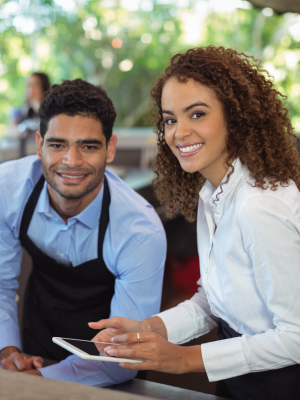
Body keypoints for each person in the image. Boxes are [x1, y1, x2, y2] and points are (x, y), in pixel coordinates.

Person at [90, 46, 300, 400]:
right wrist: (145, 330)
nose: (179, 132)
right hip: (240, 373)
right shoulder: (214, 192)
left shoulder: (259, 206)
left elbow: (295, 337)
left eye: (197, 114)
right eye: (170, 119)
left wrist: (185, 359)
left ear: (237, 116)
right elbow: (214, 302)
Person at [0, 78, 166, 385]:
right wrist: (7, 352)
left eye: (88, 146)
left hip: (111, 367)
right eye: (57, 144)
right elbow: (0, 286)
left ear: (110, 148)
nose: (71, 162)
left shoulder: (139, 232)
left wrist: (37, 379)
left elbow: (126, 352)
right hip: (37, 336)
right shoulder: (8, 190)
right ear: (39, 145)